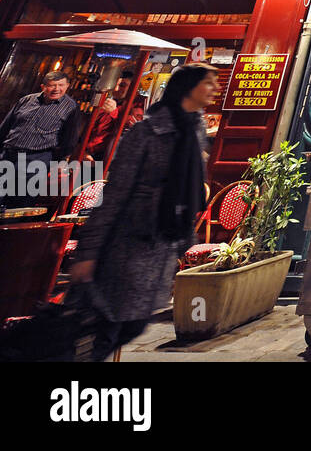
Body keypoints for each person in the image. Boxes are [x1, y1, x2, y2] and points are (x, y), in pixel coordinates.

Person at [67, 63, 219, 360]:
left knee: (133, 322)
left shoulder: (194, 128)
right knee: (109, 322)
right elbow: (115, 193)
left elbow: (188, 186)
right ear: (189, 87)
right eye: (209, 83)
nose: (215, 88)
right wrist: (87, 253)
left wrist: (184, 238)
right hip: (131, 238)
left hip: (163, 239)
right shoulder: (147, 131)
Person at [0, 70, 82, 209]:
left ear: (67, 85)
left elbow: (69, 139)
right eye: (52, 85)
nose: (57, 89)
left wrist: (60, 160)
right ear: (43, 87)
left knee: (20, 204)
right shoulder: (26, 100)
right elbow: (5, 127)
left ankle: (12, 230)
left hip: (37, 159)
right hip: (8, 154)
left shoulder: (71, 107)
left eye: (61, 85)